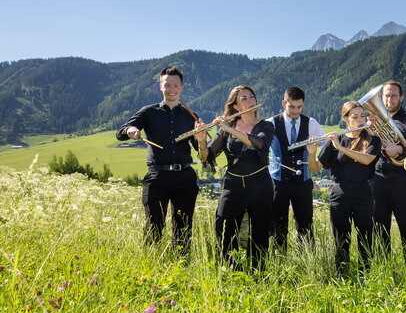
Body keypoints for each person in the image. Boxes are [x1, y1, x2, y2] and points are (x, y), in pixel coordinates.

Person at [116, 66, 200, 253]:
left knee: (184, 228)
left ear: (182, 88)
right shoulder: (148, 112)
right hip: (157, 177)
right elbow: (120, 133)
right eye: (167, 85)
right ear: (160, 86)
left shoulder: (190, 116)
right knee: (153, 225)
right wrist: (130, 130)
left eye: (175, 86)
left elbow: (202, 151)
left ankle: (182, 266)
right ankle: (152, 264)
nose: (171, 89)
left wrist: (201, 138)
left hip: (185, 177)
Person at [195, 86, 274, 269]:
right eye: (244, 98)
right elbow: (207, 156)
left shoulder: (266, 125)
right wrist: (201, 141)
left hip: (260, 185)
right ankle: (231, 273)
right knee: (224, 228)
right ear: (236, 106)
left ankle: (259, 274)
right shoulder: (227, 126)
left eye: (251, 97)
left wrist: (229, 130)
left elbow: (259, 143)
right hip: (233, 185)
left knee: (260, 233)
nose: (250, 101)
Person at [313, 101, 381, 275]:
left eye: (362, 116)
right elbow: (315, 168)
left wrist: (340, 148)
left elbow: (366, 160)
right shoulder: (337, 139)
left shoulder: (373, 139)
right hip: (340, 193)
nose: (360, 120)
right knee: (341, 239)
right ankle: (342, 275)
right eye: (355, 117)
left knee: (366, 238)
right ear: (346, 119)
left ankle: (365, 275)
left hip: (363, 192)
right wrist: (311, 151)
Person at [370, 81, 406, 271]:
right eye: (385, 96)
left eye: (393, 96)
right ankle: (384, 270)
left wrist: (399, 148)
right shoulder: (374, 119)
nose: (388, 99)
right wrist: (368, 130)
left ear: (401, 98)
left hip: (401, 178)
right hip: (377, 178)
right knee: (379, 228)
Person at [268, 86, 326, 252]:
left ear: (303, 104)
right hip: (278, 182)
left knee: (306, 225)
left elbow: (328, 145)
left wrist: (318, 161)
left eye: (299, 107)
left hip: (303, 182)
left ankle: (307, 262)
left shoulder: (311, 123)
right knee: (277, 225)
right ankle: (280, 260)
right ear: (283, 103)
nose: (295, 111)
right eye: (291, 106)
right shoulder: (271, 123)